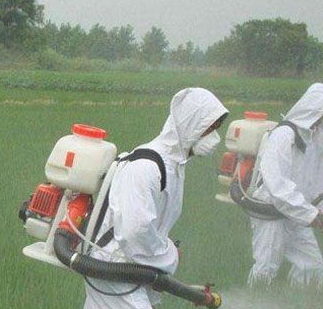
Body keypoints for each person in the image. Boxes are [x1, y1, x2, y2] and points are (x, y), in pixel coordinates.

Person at [84, 88, 229, 309]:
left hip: (131, 270)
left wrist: (162, 258)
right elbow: (135, 232)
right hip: (114, 269)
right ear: (190, 124)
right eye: (209, 129)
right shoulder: (146, 167)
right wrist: (170, 256)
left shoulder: (173, 166)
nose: (214, 138)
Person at [246, 83, 323, 288]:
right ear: (315, 107)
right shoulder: (283, 136)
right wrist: (312, 215)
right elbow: (277, 186)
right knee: (266, 267)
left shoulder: (314, 139)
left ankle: (299, 300)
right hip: (270, 211)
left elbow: (320, 184)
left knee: (311, 264)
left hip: (296, 212)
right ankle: (252, 301)